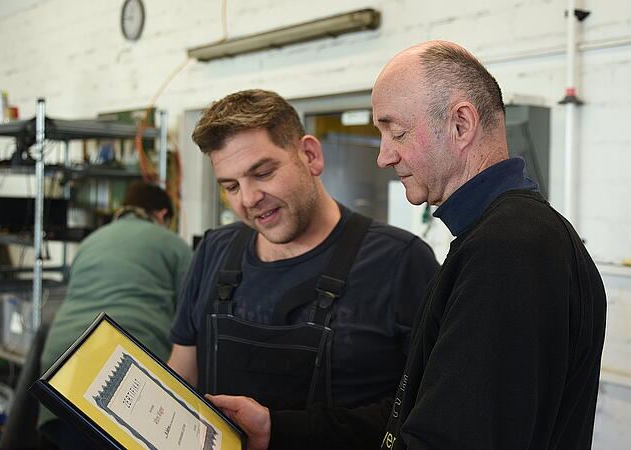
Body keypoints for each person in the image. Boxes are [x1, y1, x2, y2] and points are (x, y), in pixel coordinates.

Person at [215, 42, 607, 450]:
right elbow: (418, 415)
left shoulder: (510, 248)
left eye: (397, 132)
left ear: (460, 124)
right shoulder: (497, 236)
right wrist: (280, 430)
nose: (385, 156)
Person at [167, 89, 439, 450]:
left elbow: (428, 410)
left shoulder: (401, 261)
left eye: (263, 173)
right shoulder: (215, 250)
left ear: (310, 155)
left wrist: (280, 429)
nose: (247, 200)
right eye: (231, 186)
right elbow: (181, 376)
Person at [38, 181, 193, 448]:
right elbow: (191, 314)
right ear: (162, 215)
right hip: (126, 366)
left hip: (60, 365)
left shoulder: (90, 241)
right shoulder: (173, 244)